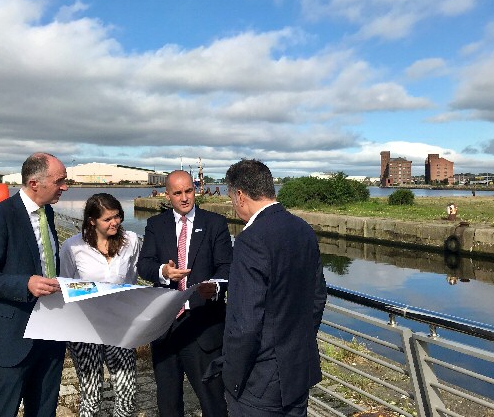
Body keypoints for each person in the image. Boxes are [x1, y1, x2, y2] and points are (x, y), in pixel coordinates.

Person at [217, 159, 326, 416]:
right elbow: (318, 297)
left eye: (232, 197)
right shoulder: (303, 229)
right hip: (298, 370)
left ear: (240, 195)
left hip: (260, 381)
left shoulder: (251, 240)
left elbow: (245, 324)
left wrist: (231, 377)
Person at [0, 152, 69, 417]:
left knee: (44, 410)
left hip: (50, 332)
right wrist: (25, 283)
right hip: (11, 335)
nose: (66, 186)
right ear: (35, 182)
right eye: (60, 180)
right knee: (4, 410)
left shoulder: (47, 213)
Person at [137, 170, 232, 417]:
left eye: (188, 190)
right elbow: (144, 265)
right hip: (166, 327)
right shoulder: (155, 225)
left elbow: (227, 266)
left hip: (203, 326)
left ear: (195, 190)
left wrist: (216, 286)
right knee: (168, 403)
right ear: (168, 195)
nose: (184, 197)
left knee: (212, 402)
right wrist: (163, 271)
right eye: (177, 192)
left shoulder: (215, 224)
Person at [61, 193, 140, 417]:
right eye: (107, 219)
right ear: (92, 221)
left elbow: (132, 276)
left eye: (117, 216)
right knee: (91, 393)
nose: (114, 222)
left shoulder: (132, 241)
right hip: (84, 327)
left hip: (120, 323)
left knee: (127, 390)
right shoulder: (73, 247)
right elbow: (66, 285)